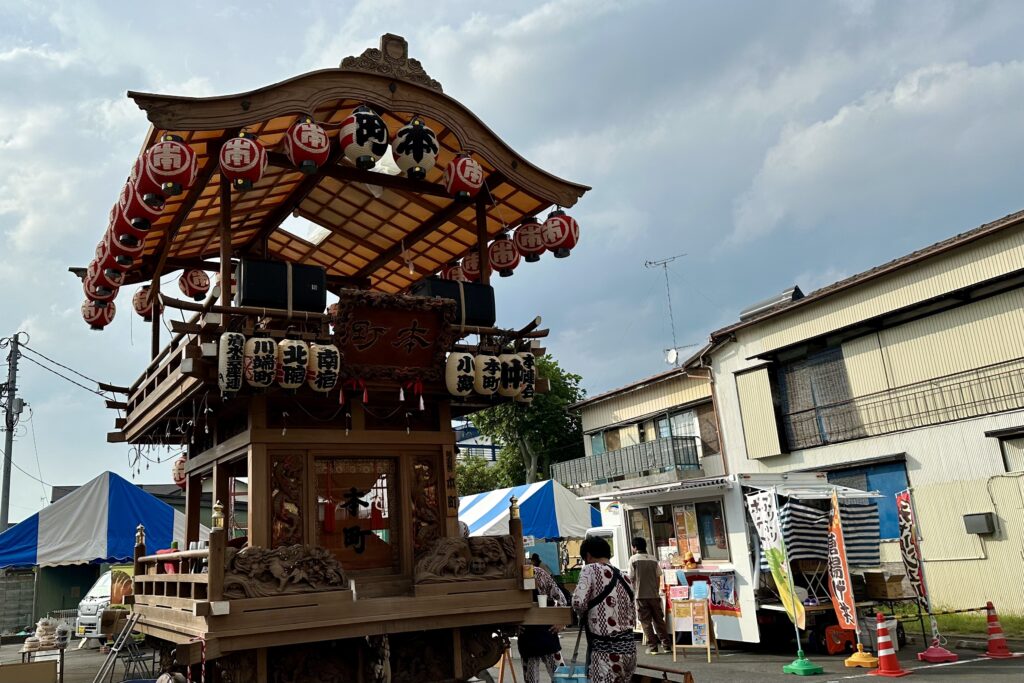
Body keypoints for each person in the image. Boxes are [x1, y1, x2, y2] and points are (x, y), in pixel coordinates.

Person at [571, 536, 636, 682]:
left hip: (605, 652)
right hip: (629, 649)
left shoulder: (590, 569)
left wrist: (582, 615)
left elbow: (578, 602)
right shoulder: (624, 576)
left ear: (588, 556)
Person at [519, 564, 567, 682]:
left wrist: (561, 620)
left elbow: (561, 599)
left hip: (547, 632)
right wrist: (511, 624)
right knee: (532, 679)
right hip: (527, 636)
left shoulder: (537, 573)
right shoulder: (509, 576)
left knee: (561, 678)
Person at [628, 537, 672, 654]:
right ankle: (666, 645)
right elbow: (658, 576)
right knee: (659, 620)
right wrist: (656, 590)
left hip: (640, 595)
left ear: (635, 547)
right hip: (654, 595)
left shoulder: (633, 559)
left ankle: (653, 647)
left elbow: (631, 577)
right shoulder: (653, 559)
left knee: (645, 621)